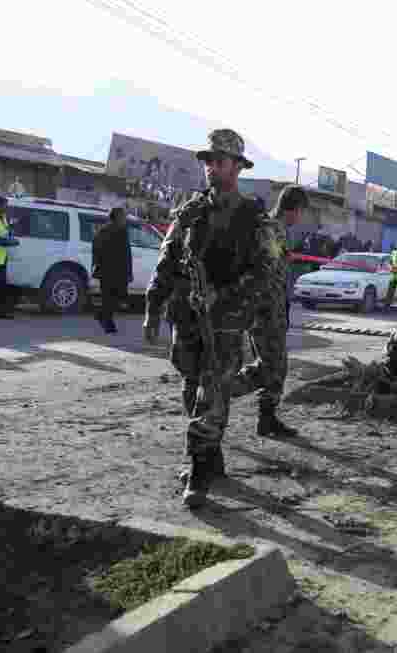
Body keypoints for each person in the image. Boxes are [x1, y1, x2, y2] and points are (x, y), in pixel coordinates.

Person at [143, 128, 282, 509]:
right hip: (187, 316)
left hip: (226, 319)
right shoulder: (191, 212)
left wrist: (226, 295)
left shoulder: (254, 218)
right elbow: (167, 259)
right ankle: (213, 456)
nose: (211, 168)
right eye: (208, 161)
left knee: (213, 390)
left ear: (237, 167)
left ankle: (200, 468)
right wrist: (153, 307)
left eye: (219, 161)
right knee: (191, 386)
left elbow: (266, 272)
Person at [227, 184, 309, 440]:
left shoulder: (276, 231)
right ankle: (221, 389)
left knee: (276, 366)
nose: (301, 218)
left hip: (273, 308)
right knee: (272, 367)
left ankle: (266, 418)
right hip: (264, 311)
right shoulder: (270, 230)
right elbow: (262, 273)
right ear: (294, 209)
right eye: (301, 212)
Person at [92, 207, 133, 334]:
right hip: (117, 271)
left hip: (105, 270)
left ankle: (104, 319)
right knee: (114, 298)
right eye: (123, 216)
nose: (125, 219)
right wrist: (128, 272)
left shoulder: (102, 230)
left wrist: (97, 266)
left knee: (108, 298)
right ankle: (106, 320)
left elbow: (96, 251)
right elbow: (125, 254)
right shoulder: (121, 231)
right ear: (118, 217)